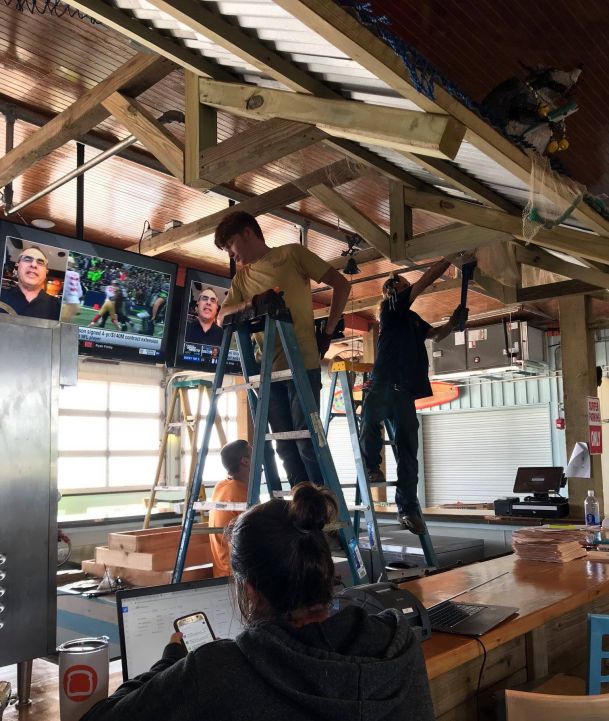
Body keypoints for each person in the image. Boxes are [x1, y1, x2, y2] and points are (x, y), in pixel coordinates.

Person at [81, 482, 434, 721]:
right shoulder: (398, 641)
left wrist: (171, 660)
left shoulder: (217, 671)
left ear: (250, 591)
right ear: (326, 572)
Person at [215, 211, 350, 487]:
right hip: (269, 372)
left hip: (303, 364)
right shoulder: (241, 279)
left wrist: (327, 332)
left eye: (230, 244)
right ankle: (300, 507)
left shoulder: (292, 254)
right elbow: (220, 317)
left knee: (306, 443)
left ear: (247, 233)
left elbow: (341, 284)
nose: (231, 253)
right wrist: (253, 302)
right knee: (284, 448)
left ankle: (324, 508)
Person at [359, 257, 468, 535]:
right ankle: (371, 467)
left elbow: (435, 335)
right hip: (383, 383)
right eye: (402, 285)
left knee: (408, 451)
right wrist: (449, 259)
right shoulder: (390, 308)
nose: (406, 287)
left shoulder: (411, 318)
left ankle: (407, 508)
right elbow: (424, 282)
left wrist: (452, 323)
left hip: (404, 392)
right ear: (392, 291)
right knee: (369, 422)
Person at [208, 440, 251, 578]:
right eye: (254, 453)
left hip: (222, 572)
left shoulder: (221, 486)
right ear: (245, 461)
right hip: (237, 576)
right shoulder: (239, 492)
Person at [1, 246, 61, 320]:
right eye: (27, 259)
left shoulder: (59, 308)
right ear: (17, 265)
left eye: (40, 262)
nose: (33, 265)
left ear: (46, 272)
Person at [60, 257, 83, 323]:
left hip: (68, 302)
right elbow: (80, 292)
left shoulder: (66, 273)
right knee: (67, 323)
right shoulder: (77, 274)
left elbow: (65, 288)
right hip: (76, 302)